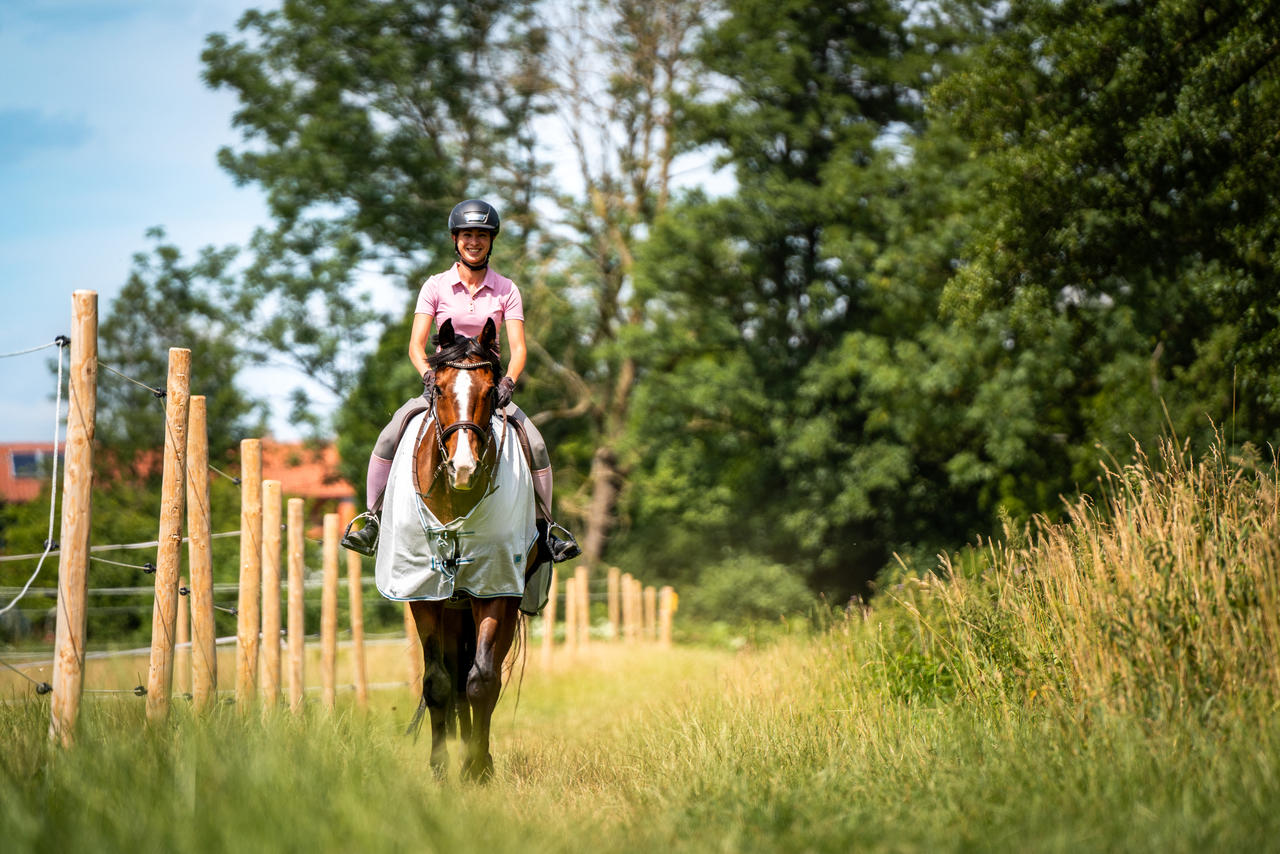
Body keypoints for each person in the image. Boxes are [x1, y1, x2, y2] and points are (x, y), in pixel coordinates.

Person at [341, 199, 577, 566]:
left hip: (487, 388)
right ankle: (372, 518)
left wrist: (509, 382)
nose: (474, 242)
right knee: (390, 432)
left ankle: (545, 528)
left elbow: (519, 347)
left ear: (491, 241)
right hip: (443, 384)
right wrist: (428, 376)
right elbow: (415, 345)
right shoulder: (435, 286)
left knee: (537, 443)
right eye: (468, 235)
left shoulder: (506, 289)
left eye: (482, 236)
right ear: (456, 239)